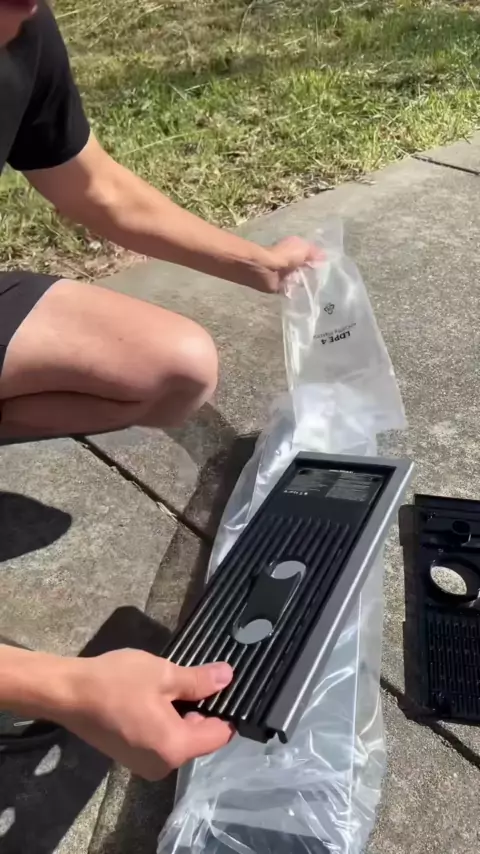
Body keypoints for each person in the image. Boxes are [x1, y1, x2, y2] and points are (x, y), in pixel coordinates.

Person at [0, 0, 317, 779]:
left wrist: (256, 263)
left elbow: (93, 185)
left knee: (177, 367)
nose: (26, 10)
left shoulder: (23, 26)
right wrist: (59, 685)